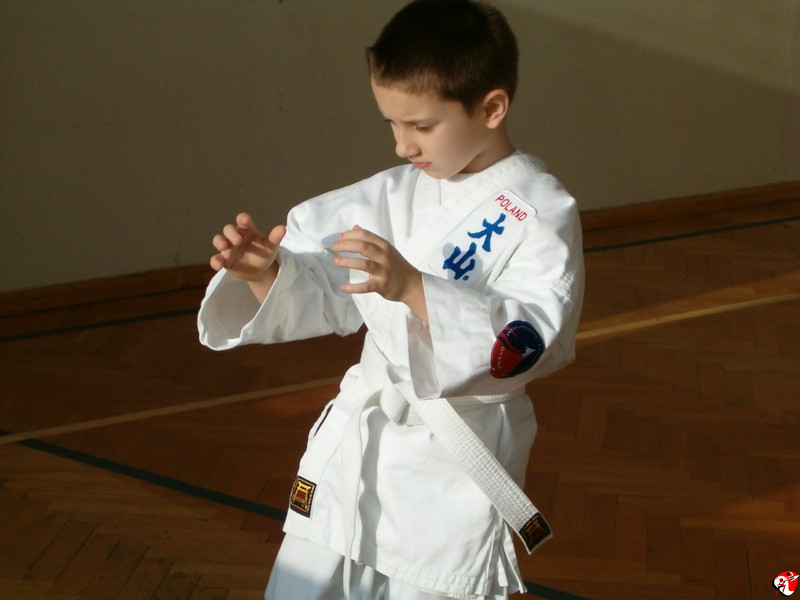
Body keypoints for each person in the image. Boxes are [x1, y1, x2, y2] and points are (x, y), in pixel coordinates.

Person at [197, 0, 584, 598]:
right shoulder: (389, 194)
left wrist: (414, 288)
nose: (404, 146)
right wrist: (266, 273)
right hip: (357, 449)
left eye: (422, 126)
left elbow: (536, 336)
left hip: (450, 468)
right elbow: (327, 289)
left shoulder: (540, 211)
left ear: (491, 108)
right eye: (392, 125)